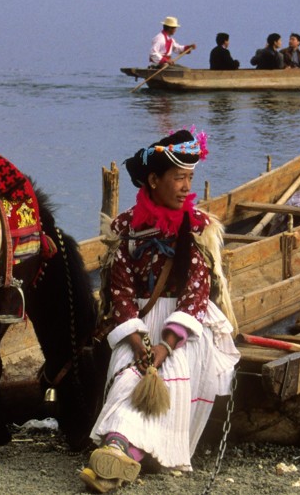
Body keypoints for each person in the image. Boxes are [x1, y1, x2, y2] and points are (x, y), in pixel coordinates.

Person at [80, 129, 239, 493]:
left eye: (190, 178)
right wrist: (138, 345)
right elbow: (120, 292)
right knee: (126, 373)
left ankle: (123, 455)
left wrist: (164, 348)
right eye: (179, 178)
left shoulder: (197, 229)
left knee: (171, 377)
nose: (186, 187)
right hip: (137, 325)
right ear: (154, 180)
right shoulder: (126, 229)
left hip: (186, 329)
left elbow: (195, 297)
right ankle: (117, 449)